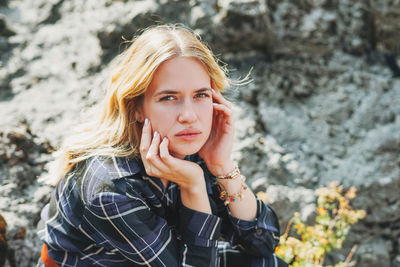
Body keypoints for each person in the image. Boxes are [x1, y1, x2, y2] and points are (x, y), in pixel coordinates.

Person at [37, 24, 287, 267]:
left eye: (201, 95)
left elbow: (263, 244)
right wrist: (193, 185)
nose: (189, 115)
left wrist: (221, 165)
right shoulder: (110, 190)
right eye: (169, 97)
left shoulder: (187, 145)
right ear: (136, 108)